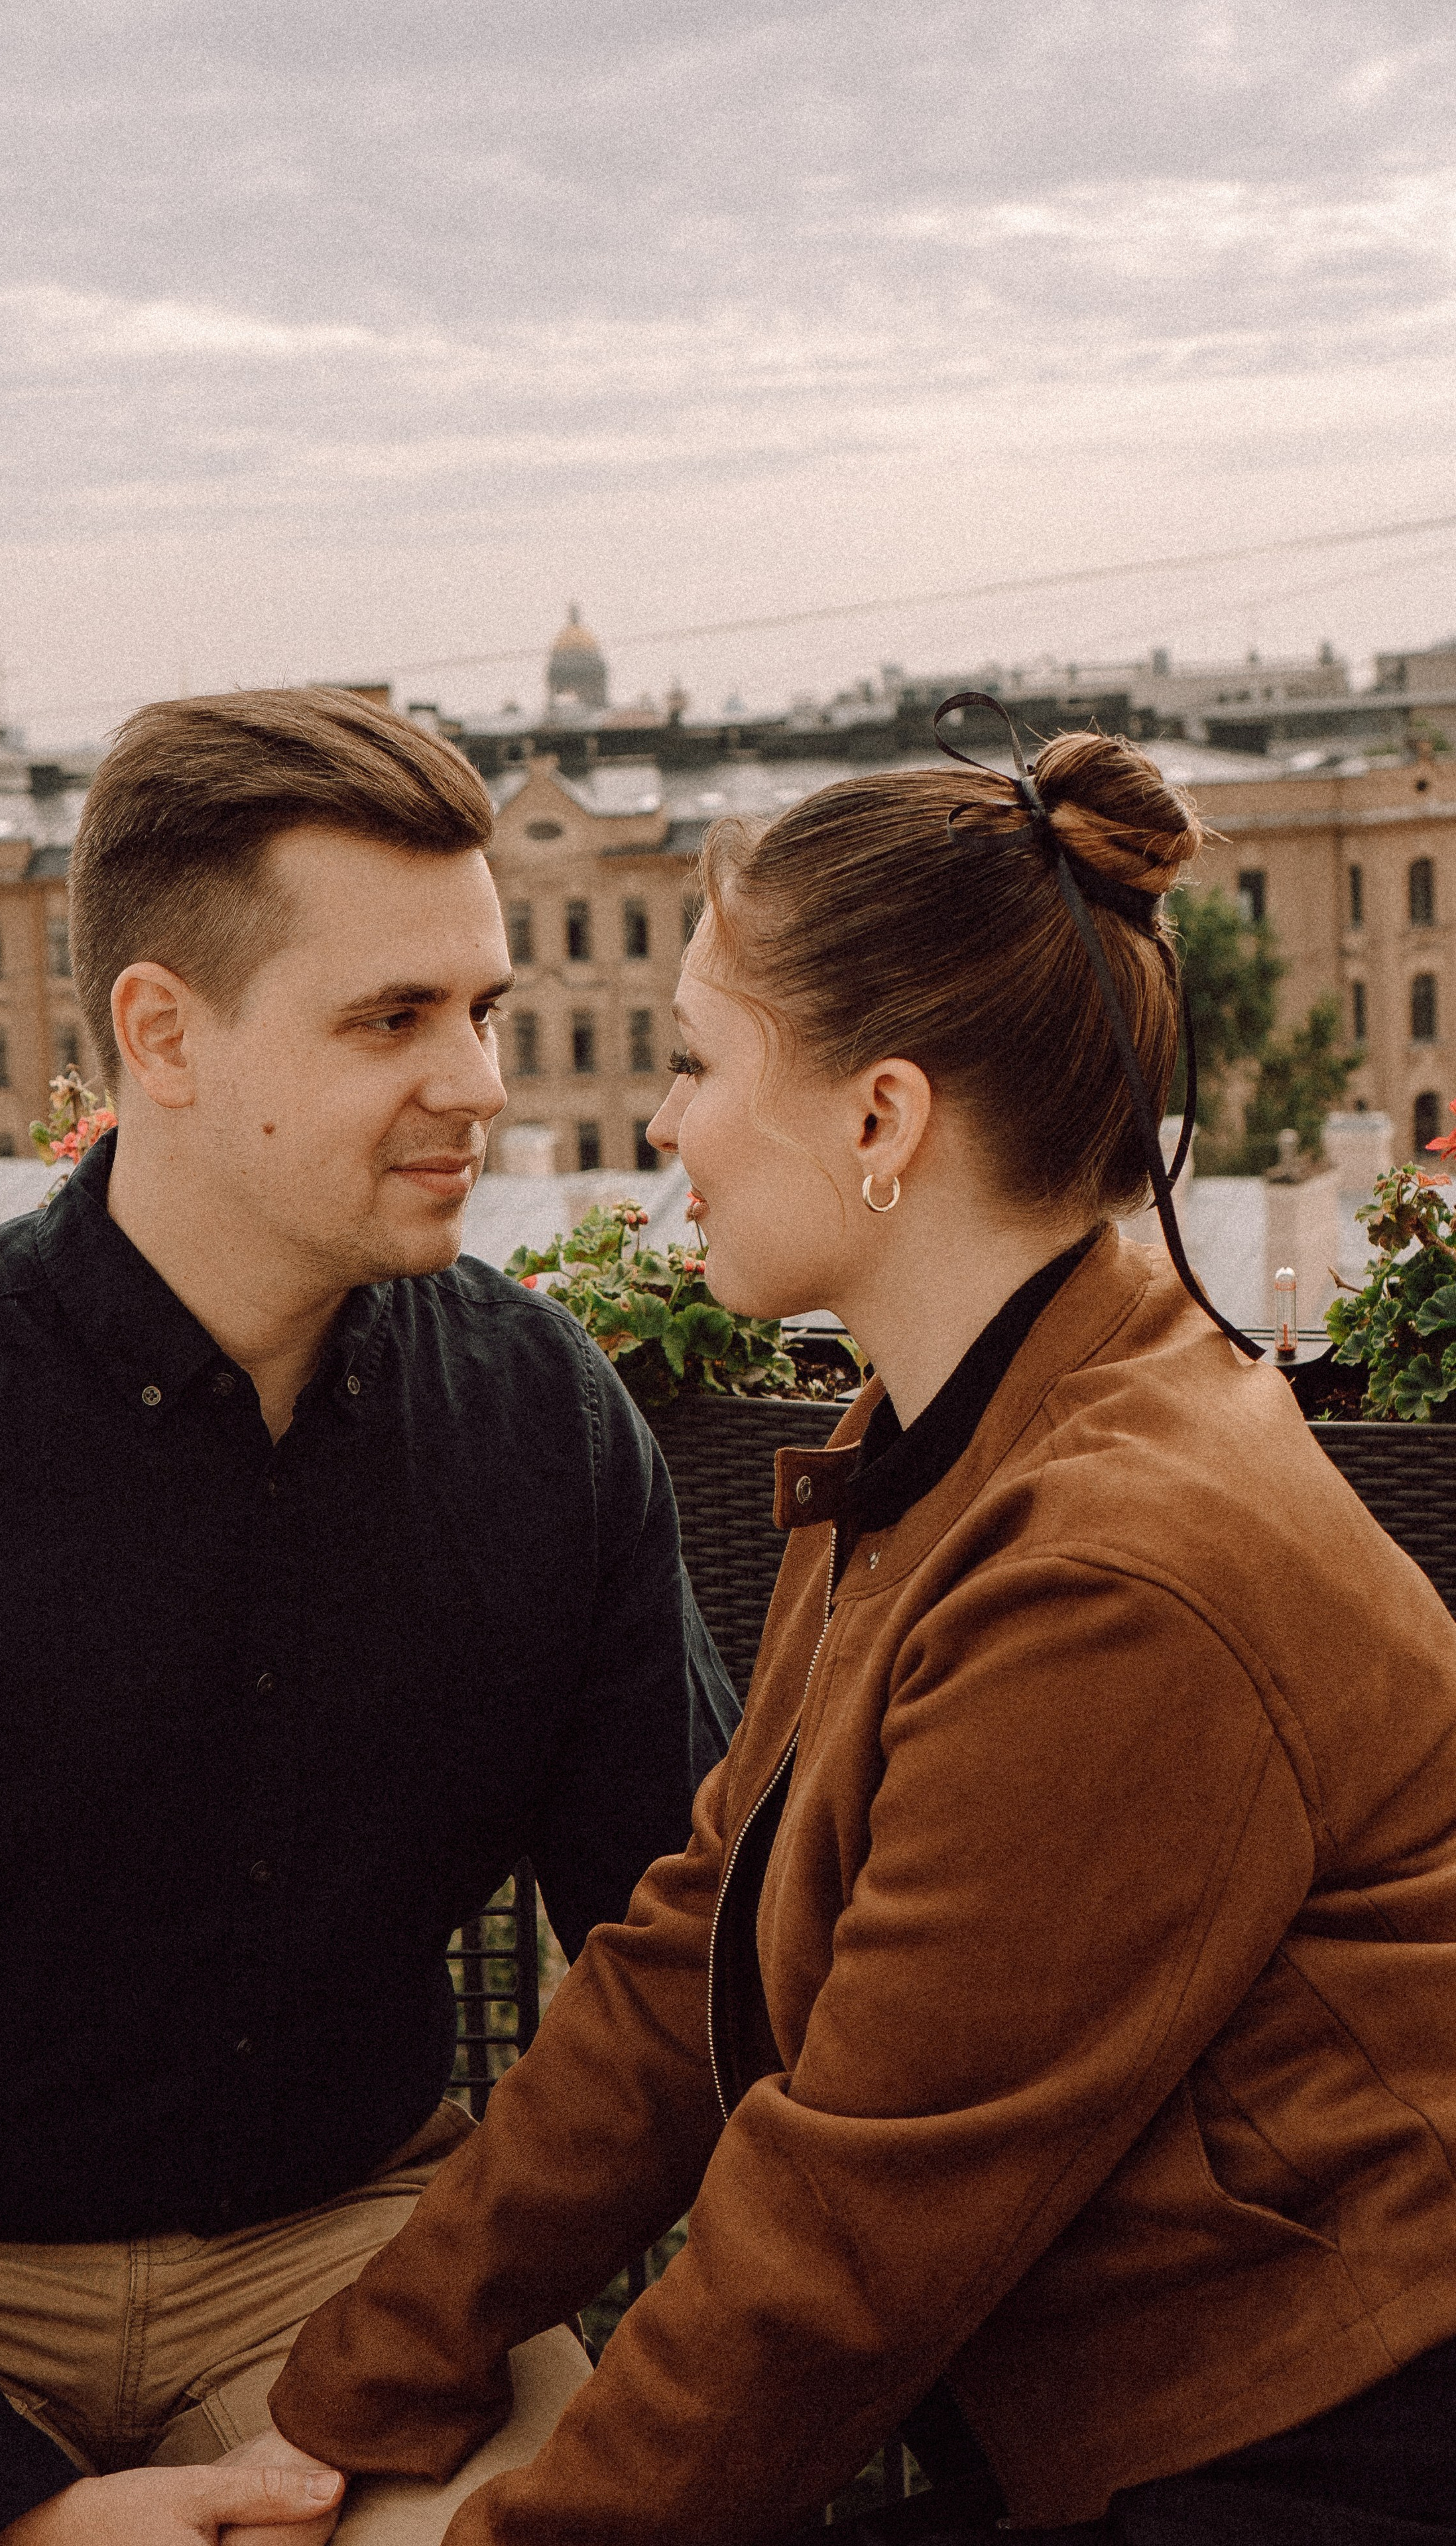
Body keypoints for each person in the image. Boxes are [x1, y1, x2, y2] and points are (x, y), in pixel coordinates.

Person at [260, 717, 1456, 2543]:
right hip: (1145, 2429)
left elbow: (841, 2245)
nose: (661, 1127)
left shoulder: (1114, 1572)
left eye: (693, 1063)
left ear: (884, 1119)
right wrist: (351, 2394)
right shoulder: (945, 1433)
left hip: (1306, 2454)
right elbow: (681, 1959)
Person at [0, 688, 736, 2546]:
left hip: (353, 2264)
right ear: (163, 1035)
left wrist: (423, 2331)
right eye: (392, 1020)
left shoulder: (540, 1423)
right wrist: (10, 2504)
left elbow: (677, 1959)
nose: (481, 1084)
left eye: (485, 1011)